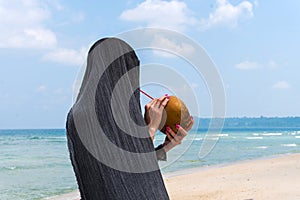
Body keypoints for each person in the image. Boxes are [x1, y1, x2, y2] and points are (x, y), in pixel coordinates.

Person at [66, 37, 193, 200]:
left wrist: (166, 147)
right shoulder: (99, 114)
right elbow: (123, 172)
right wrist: (151, 128)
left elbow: (127, 170)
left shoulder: (78, 114)